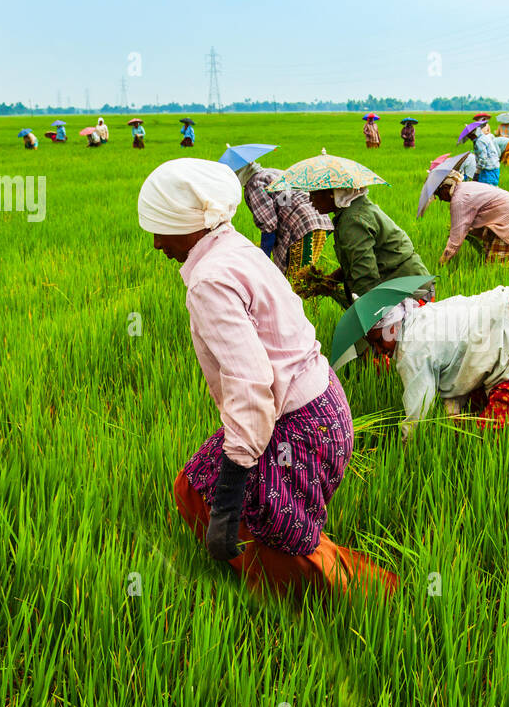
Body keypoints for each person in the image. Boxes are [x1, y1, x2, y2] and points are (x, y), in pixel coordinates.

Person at [138, 158, 396, 598]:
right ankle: (248, 572)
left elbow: (250, 380)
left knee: (285, 545)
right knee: (195, 486)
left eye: (163, 229)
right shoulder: (235, 247)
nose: (158, 243)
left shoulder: (209, 279)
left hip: (299, 425)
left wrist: (233, 490)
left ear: (194, 225)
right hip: (321, 406)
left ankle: (368, 599)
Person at [365, 285, 509, 440]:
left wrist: (407, 446)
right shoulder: (423, 315)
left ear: (392, 327)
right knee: (479, 402)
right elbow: (455, 371)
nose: (377, 350)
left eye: (377, 340)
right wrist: (453, 416)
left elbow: (418, 411)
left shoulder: (410, 349)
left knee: (498, 435)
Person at [305, 183, 432, 309]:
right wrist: (330, 281)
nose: (310, 200)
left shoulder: (352, 220)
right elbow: (357, 261)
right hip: (410, 284)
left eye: (314, 194)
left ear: (332, 194)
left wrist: (371, 312)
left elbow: (365, 275)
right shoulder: (355, 209)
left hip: (408, 292)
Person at [237, 160, 335, 296]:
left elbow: (268, 225)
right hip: (319, 221)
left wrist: (263, 259)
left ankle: (300, 312)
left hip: (300, 227)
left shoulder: (254, 184)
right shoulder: (271, 172)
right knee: (304, 277)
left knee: (294, 283)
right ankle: (311, 309)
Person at [432, 170, 509, 267]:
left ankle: (503, 281)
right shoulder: (465, 186)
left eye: (438, 194)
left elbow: (456, 239)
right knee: (493, 258)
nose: (440, 199)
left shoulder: (459, 200)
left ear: (446, 187)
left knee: (498, 267)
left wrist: (442, 262)